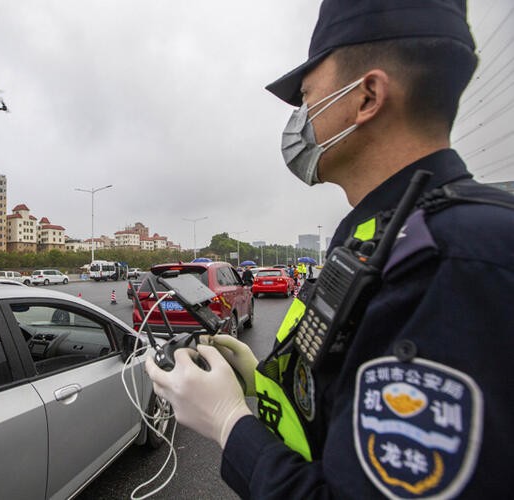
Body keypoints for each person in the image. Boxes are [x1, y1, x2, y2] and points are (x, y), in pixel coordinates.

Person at [145, 1, 514, 498]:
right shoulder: (378, 234)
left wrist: (229, 423)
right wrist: (259, 382)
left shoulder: (457, 259)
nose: (302, 118)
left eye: (308, 96)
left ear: (367, 97)